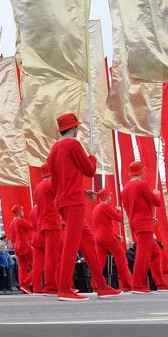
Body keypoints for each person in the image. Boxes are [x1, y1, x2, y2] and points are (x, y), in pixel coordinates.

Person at [46, 112, 117, 301]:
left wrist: (82, 192)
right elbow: (89, 170)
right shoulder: (73, 144)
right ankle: (63, 288)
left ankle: (101, 285)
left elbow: (60, 179)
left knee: (86, 242)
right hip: (73, 201)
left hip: (64, 200)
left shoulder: (54, 149)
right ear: (74, 128)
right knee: (72, 244)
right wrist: (92, 155)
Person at [121, 162, 168, 292]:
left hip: (137, 222)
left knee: (155, 253)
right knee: (143, 254)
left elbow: (132, 207)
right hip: (144, 223)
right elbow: (156, 202)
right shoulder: (141, 185)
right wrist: (157, 194)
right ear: (141, 171)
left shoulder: (125, 188)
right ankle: (137, 285)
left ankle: (159, 283)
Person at [89, 189, 133, 291]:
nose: (111, 198)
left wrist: (116, 236)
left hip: (99, 238)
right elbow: (118, 218)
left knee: (99, 263)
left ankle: (95, 284)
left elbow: (103, 225)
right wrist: (118, 210)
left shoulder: (96, 208)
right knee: (121, 260)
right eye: (109, 196)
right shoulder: (105, 207)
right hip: (108, 237)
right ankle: (127, 285)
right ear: (107, 197)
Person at [33, 166, 62, 295]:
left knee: (53, 256)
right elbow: (61, 199)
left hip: (44, 223)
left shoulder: (38, 187)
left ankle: (55, 284)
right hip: (52, 223)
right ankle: (51, 286)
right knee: (52, 257)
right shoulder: (51, 184)